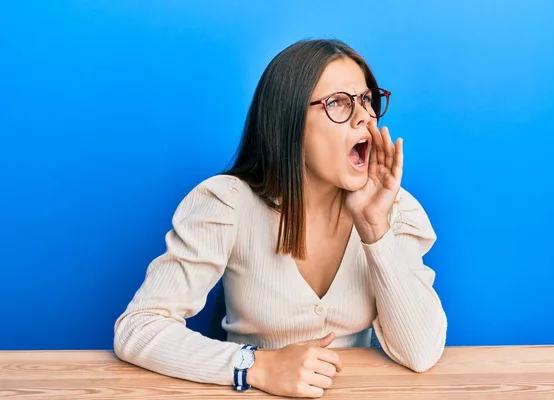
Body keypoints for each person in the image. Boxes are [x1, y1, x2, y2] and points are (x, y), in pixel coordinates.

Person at [114, 38, 447, 398]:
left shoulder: (393, 209)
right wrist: (256, 366)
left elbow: (420, 352)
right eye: (338, 103)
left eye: (366, 100)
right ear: (288, 121)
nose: (364, 116)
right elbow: (139, 327)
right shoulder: (228, 204)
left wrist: (374, 230)